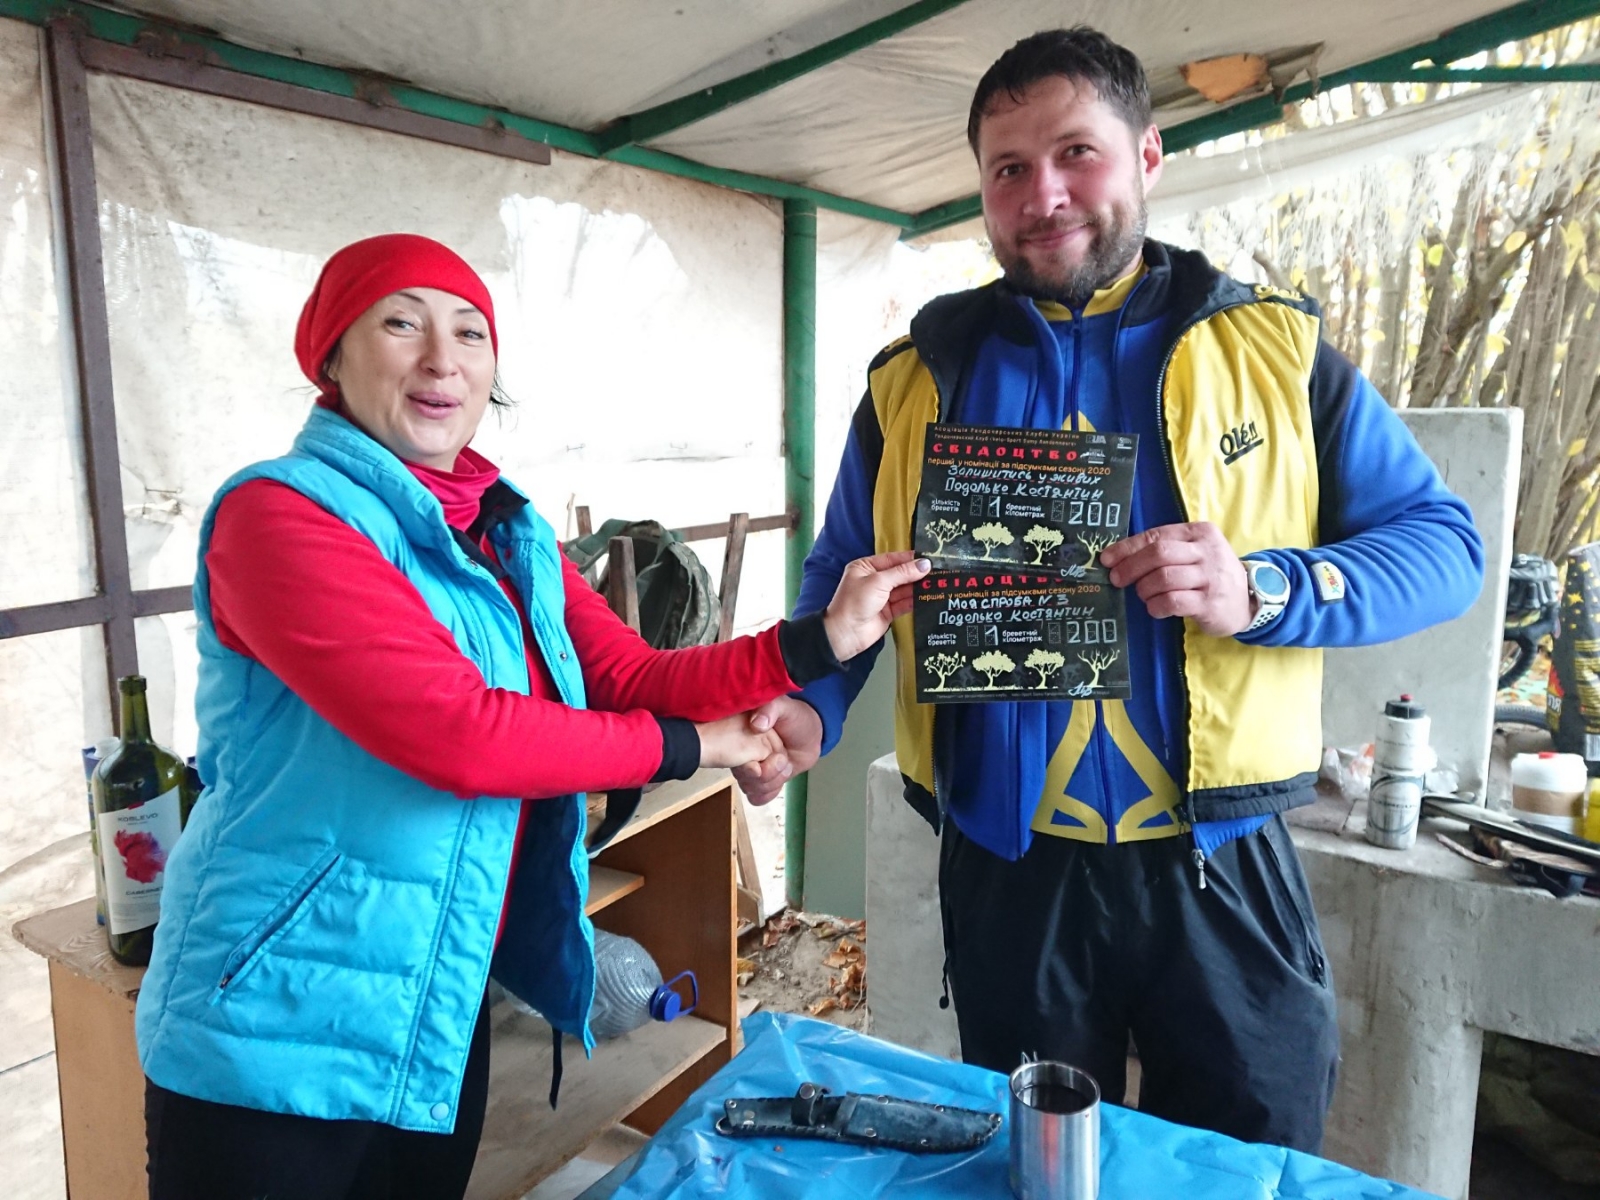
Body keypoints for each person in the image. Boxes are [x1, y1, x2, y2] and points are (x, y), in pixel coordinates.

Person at [736, 28, 1484, 1153]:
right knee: (1039, 1165)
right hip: (1010, 868)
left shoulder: (1274, 353)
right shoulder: (912, 378)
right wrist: (810, 704)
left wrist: (1265, 587)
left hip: (1218, 860)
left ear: (1147, 155)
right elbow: (841, 576)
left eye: (1075, 153)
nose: (1043, 195)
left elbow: (1443, 546)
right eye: (1008, 168)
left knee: (1244, 1160)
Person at [135, 233, 929, 1200]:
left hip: (435, 992)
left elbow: (631, 673)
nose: (443, 359)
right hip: (276, 1014)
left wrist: (818, 642)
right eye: (402, 324)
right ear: (331, 357)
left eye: (470, 333)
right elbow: (460, 734)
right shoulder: (280, 517)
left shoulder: (504, 531)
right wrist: (697, 746)